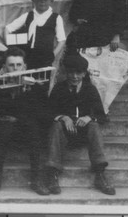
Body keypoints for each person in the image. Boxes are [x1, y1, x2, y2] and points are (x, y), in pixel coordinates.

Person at [0, 47, 51, 196]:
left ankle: (36, 179)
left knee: (34, 129)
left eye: (19, 65)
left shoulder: (34, 85)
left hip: (25, 125)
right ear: (4, 67)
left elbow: (41, 111)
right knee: (4, 129)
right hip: (3, 125)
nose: (15, 68)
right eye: (11, 65)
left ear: (25, 67)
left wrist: (29, 92)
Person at [44, 55, 116, 196]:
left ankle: (100, 174)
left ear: (84, 73)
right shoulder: (59, 89)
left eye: (78, 73)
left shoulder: (90, 90)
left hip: (83, 135)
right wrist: (63, 117)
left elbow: (102, 115)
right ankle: (52, 174)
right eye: (71, 73)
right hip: (64, 135)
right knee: (56, 125)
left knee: (94, 126)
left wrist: (89, 117)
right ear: (66, 73)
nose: (75, 76)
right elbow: (47, 113)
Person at [4, 0, 65, 69]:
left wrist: (53, 55)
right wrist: (11, 48)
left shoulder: (56, 18)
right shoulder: (28, 16)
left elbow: (61, 40)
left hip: (45, 59)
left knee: (43, 80)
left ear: (51, 0)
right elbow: (8, 28)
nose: (42, 1)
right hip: (28, 58)